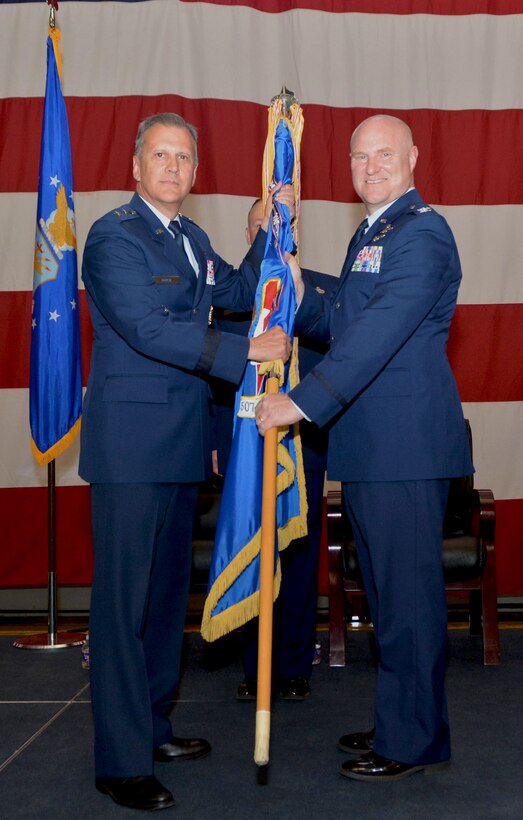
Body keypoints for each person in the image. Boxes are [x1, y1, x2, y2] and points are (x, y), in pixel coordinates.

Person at [79, 112, 295, 811]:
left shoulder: (191, 237)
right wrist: (245, 356)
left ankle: (152, 725)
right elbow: (148, 329)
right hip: (130, 452)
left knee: (167, 600)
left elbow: (234, 293)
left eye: (183, 157)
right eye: (160, 155)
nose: (172, 167)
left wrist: (265, 230)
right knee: (123, 608)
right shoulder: (114, 237)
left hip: (178, 447)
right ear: (136, 167)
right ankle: (119, 760)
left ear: (194, 173)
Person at [255, 114, 473, 781]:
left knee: (407, 602)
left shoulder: (423, 232)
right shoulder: (372, 232)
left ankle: (411, 741)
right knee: (384, 599)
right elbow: (346, 316)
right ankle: (403, 721)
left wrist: (298, 402)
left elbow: (378, 333)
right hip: (375, 447)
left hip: (403, 449)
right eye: (359, 156)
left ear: (411, 157)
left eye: (384, 154)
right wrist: (299, 291)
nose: (371, 166)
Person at [212, 199, 337, 701]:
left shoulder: (321, 290)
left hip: (303, 445)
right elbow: (216, 383)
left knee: (300, 558)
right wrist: (219, 446)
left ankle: (293, 665)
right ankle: (255, 666)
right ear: (250, 236)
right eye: (264, 225)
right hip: (244, 446)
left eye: (281, 223)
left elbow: (336, 369)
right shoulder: (232, 300)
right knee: (251, 549)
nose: (273, 231)